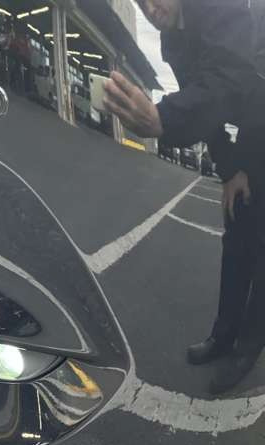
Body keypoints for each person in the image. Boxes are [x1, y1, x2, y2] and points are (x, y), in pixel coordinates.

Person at [103, 0, 265, 393]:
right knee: (237, 237)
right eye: (140, 2)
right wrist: (230, 169)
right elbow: (206, 104)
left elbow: (230, 82)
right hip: (251, 126)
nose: (150, 8)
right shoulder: (172, 41)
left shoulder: (222, 8)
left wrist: (164, 118)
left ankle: (247, 348)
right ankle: (223, 335)